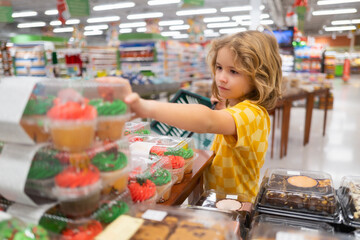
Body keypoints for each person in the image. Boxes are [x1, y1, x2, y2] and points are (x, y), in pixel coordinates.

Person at [97, 30, 282, 201]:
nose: (221, 78)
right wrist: (223, 108)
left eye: (233, 71)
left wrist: (144, 107)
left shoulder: (254, 114)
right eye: (219, 67)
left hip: (237, 205)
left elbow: (207, 121)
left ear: (260, 77)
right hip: (217, 198)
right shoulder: (236, 107)